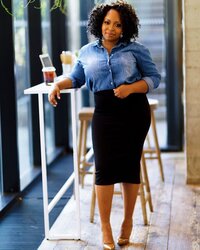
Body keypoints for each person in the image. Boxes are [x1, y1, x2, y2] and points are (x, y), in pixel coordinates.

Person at [48, 1, 161, 249]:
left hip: (134, 112)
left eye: (117, 24)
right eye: (107, 22)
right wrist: (57, 84)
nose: (110, 28)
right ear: (99, 22)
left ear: (125, 28)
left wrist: (131, 88)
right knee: (104, 168)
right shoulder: (87, 51)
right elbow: (76, 78)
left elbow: (154, 78)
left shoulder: (136, 49)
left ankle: (128, 221)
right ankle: (106, 227)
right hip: (105, 113)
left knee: (130, 167)